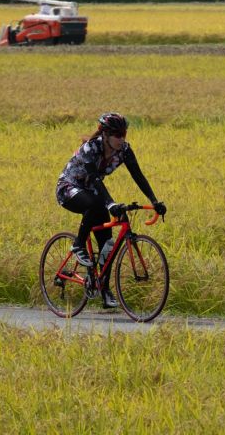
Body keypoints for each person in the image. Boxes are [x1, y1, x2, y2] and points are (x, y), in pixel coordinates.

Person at [55, 112, 166, 308]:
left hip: (93, 193)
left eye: (124, 134)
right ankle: (78, 245)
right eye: (117, 135)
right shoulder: (91, 148)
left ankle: (103, 289)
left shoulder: (124, 150)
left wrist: (154, 200)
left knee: (108, 245)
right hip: (68, 188)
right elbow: (95, 180)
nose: (122, 139)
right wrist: (110, 203)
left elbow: (138, 176)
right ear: (105, 134)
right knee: (96, 203)